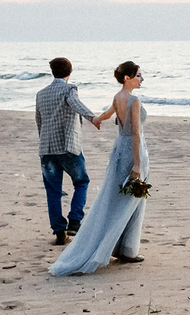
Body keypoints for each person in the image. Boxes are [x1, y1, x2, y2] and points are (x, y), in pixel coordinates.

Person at [51, 61, 148, 275]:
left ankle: (118, 246)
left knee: (115, 199)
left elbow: (108, 113)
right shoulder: (134, 100)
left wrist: (96, 120)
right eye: (139, 75)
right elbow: (135, 133)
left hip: (118, 151)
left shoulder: (118, 97)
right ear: (127, 78)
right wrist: (138, 164)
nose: (142, 79)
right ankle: (127, 250)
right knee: (131, 201)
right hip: (132, 151)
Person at [34, 57, 100, 246]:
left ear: (52, 71)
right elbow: (76, 104)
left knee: (53, 191)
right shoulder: (69, 89)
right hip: (67, 146)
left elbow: (39, 120)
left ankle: (59, 232)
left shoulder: (41, 93)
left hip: (46, 148)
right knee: (81, 181)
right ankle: (74, 220)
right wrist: (92, 118)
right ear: (70, 71)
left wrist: (43, 142)